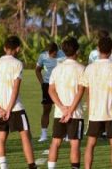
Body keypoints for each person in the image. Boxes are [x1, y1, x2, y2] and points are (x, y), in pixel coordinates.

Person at [0, 35, 37, 169]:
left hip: (0, 109)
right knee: (26, 135)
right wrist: (8, 109)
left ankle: (3, 167)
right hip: (15, 108)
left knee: (2, 137)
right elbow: (15, 89)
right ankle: (32, 166)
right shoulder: (18, 64)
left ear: (4, 48)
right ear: (18, 49)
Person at [82, 36, 112, 169]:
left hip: (95, 113)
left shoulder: (89, 68)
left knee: (90, 144)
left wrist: (90, 111)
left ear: (98, 49)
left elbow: (87, 92)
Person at [46, 37, 85, 169]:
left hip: (59, 113)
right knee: (74, 144)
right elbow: (80, 91)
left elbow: (51, 91)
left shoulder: (57, 69)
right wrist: (70, 110)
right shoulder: (81, 69)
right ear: (77, 51)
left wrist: (62, 108)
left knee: (55, 142)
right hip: (76, 114)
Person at [35, 42, 65, 142]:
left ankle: (65, 133)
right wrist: (42, 83)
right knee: (46, 109)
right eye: (51, 54)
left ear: (57, 51)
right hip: (47, 85)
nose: (53, 55)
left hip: (61, 85)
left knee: (63, 108)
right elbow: (37, 70)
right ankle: (43, 134)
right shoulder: (42, 56)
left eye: (54, 54)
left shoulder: (62, 54)